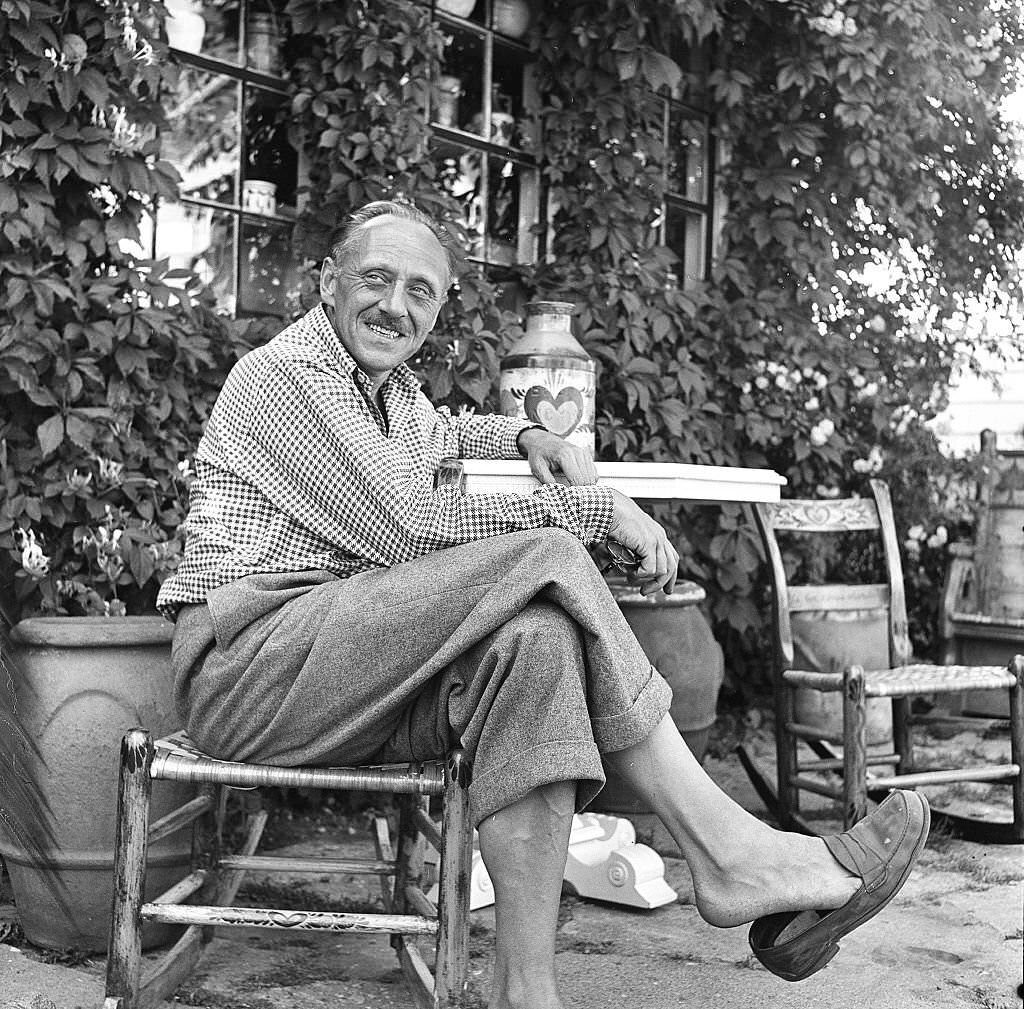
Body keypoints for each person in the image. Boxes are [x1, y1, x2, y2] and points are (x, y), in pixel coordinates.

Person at [158, 199, 930, 1009]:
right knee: (552, 553)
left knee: (537, 646)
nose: (395, 305)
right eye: (376, 279)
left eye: (420, 291)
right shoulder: (284, 376)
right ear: (328, 281)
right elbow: (412, 529)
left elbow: (449, 433)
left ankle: (526, 992)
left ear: (437, 308)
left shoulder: (387, 394)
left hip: (348, 669)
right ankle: (729, 851)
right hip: (251, 667)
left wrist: (528, 437)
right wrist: (600, 511)